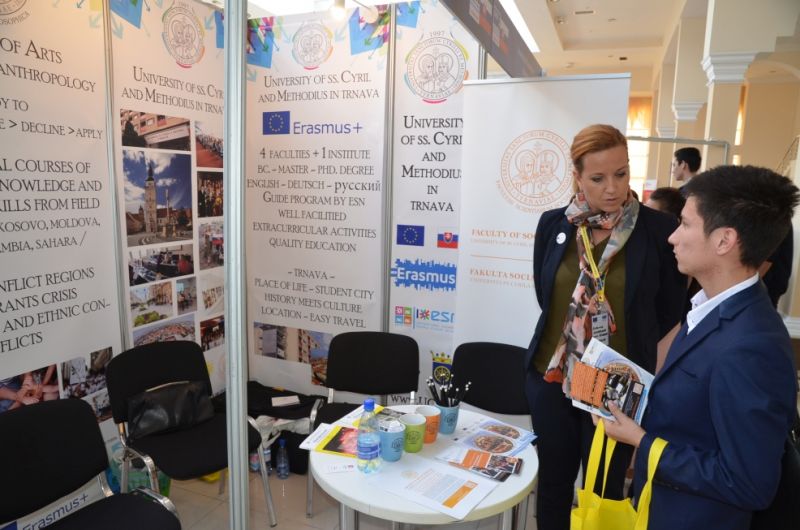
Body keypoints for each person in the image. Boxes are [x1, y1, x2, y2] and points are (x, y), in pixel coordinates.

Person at [601, 165, 799, 530]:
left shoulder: (752, 347)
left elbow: (749, 483)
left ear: (724, 241)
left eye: (685, 224)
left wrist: (641, 442)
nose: (672, 237)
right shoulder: (710, 308)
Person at [524, 124, 687, 530]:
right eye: (597, 178)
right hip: (553, 379)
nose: (612, 188)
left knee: (605, 491)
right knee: (553, 485)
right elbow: (547, 296)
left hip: (617, 388)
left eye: (621, 173)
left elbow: (671, 312)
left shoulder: (659, 230)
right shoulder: (553, 224)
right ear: (577, 177)